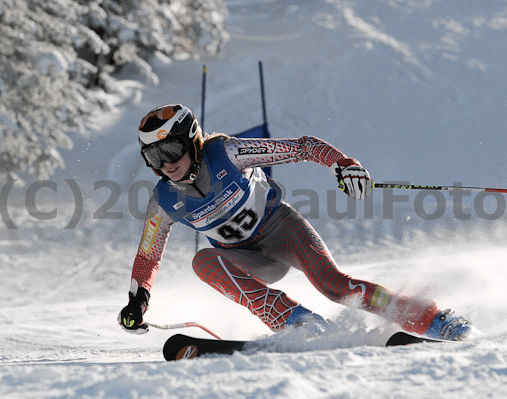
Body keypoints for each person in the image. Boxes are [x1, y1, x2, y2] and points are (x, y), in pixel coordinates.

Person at [118, 104, 475, 341]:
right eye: (153, 155)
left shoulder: (228, 152)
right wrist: (138, 303)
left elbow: (303, 146)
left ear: (193, 141)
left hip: (282, 230)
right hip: (247, 259)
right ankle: (298, 323)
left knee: (335, 286)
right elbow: (148, 257)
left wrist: (342, 163)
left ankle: (432, 318)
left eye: (171, 150)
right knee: (202, 262)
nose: (165, 163)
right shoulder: (162, 201)